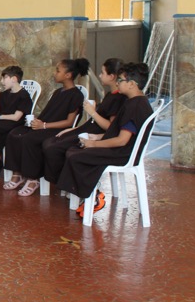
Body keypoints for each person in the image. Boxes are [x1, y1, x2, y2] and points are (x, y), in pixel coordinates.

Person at [57, 63, 154, 218]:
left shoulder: (136, 106)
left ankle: (94, 195)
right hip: (120, 148)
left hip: (123, 153)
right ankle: (89, 192)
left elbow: (122, 140)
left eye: (120, 80)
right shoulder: (133, 102)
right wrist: (97, 137)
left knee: (76, 155)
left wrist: (94, 144)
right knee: (73, 150)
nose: (117, 83)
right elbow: (120, 132)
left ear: (131, 84)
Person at [3, 58, 89, 196]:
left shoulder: (76, 95)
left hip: (57, 129)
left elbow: (69, 122)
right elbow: (48, 113)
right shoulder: (57, 92)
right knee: (14, 134)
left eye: (58, 71)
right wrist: (37, 121)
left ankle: (33, 179)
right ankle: (17, 174)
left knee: (30, 139)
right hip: (44, 126)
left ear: (68, 75)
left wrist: (43, 125)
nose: (55, 73)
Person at [42, 58, 126, 186]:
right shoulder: (110, 95)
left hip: (94, 134)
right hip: (88, 128)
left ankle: (64, 183)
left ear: (112, 76)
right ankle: (62, 182)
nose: (100, 76)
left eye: (102, 73)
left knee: (53, 148)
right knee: (50, 141)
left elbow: (111, 127)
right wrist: (73, 129)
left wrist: (92, 112)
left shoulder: (119, 98)